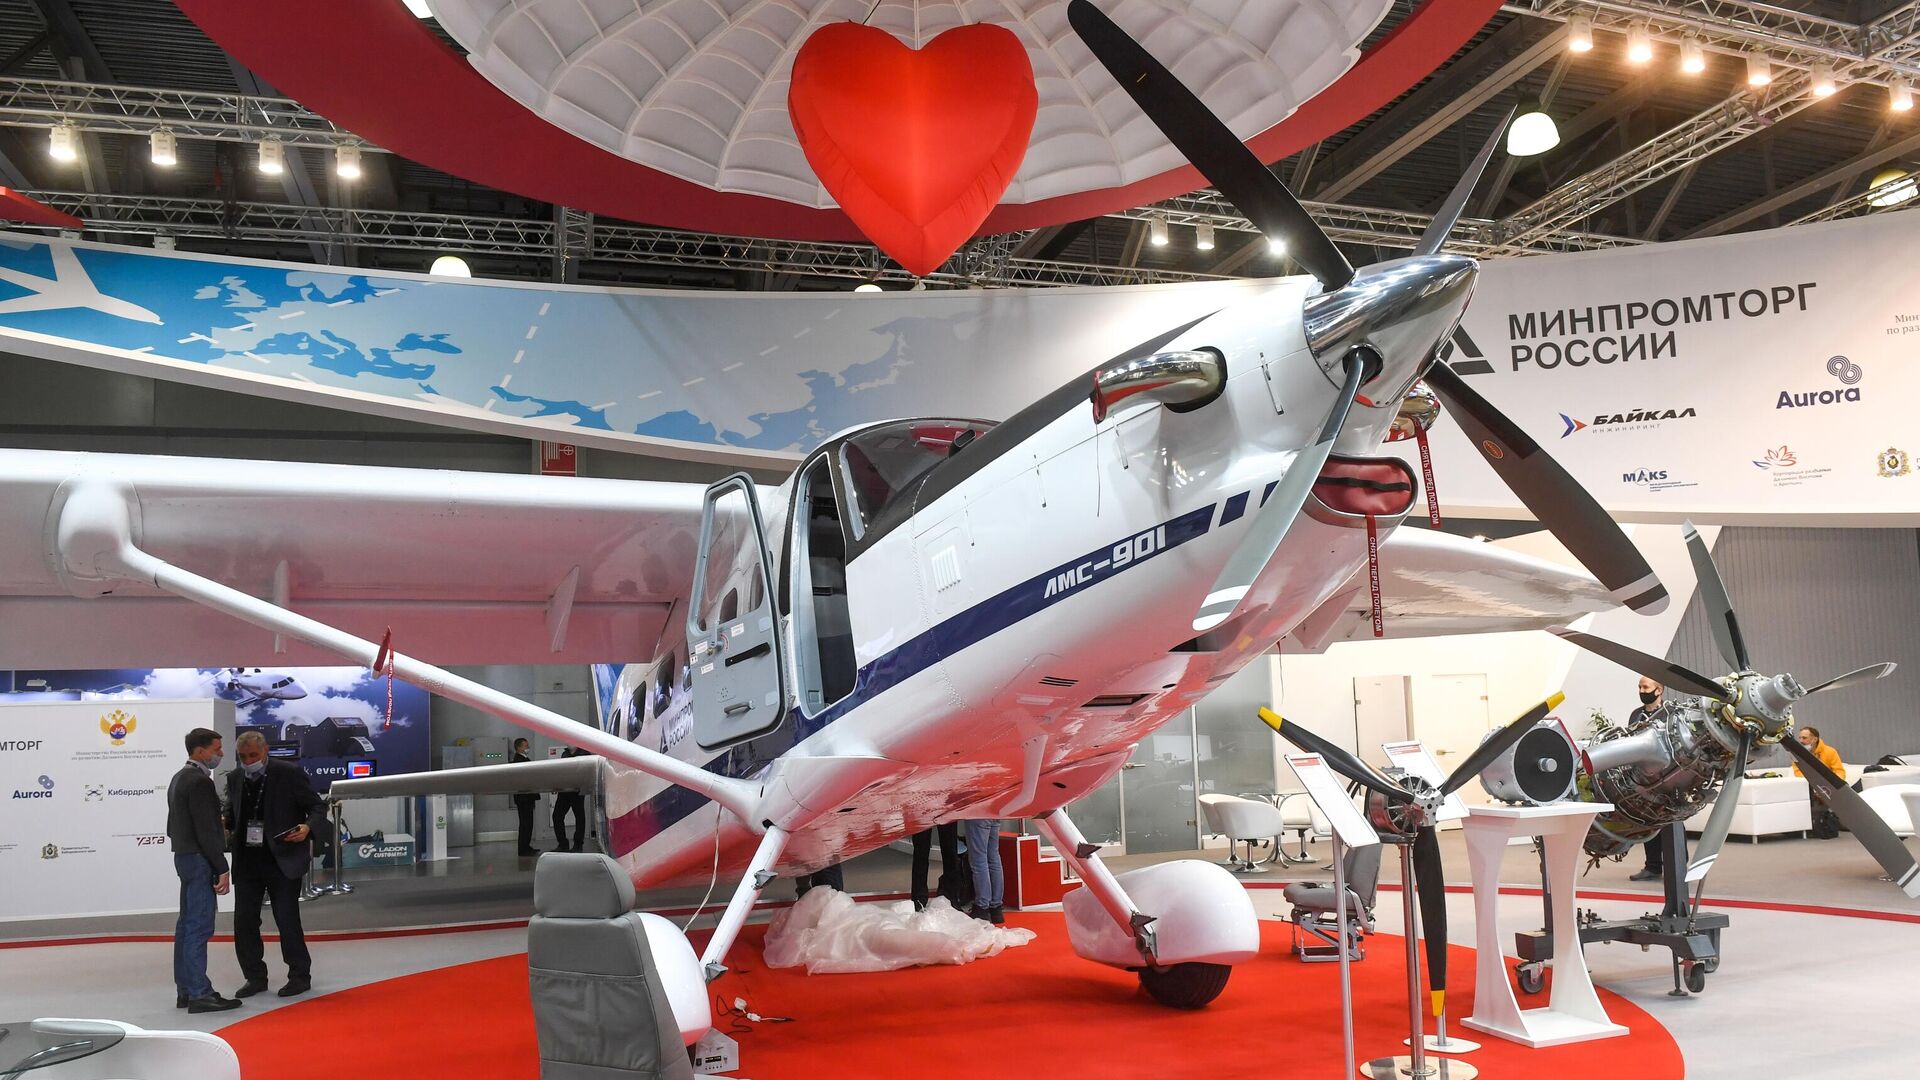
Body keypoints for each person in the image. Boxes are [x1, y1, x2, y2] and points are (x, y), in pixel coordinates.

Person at [225, 730, 327, 999]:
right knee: (244, 922)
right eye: (243, 757)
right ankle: (254, 977)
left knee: (287, 919)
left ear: (265, 751)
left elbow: (317, 807)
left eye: (253, 755)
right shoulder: (235, 778)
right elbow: (232, 813)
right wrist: (224, 822)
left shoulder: (289, 773)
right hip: (247, 862)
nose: (249, 761)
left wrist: (307, 827)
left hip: (282, 859)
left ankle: (299, 975)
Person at [167, 727, 239, 1013]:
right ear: (200, 751)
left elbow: (174, 826)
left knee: (186, 926)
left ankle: (186, 990)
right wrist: (221, 866)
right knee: (198, 927)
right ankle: (200, 993)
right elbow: (206, 830)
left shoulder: (178, 778)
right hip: (199, 860)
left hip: (185, 857)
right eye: (216, 749)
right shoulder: (199, 782)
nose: (220, 754)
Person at [1629, 676, 1676, 882]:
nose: (1641, 690)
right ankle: (1653, 866)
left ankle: (1677, 864)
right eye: (1639, 687)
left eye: (1646, 687)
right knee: (1648, 819)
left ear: (1659, 690)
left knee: (1671, 820)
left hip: (1668, 775)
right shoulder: (1636, 715)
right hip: (1645, 777)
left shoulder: (1670, 713)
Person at [1793, 726, 1847, 839]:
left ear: (1814, 739)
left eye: (1804, 738)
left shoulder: (1830, 752)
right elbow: (1798, 773)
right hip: (1809, 787)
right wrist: (1814, 787)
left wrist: (1832, 785)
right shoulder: (1797, 754)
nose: (1801, 741)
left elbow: (1839, 771)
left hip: (1828, 786)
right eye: (1800, 738)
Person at [910, 822, 961, 912]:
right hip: (924, 815)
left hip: (944, 813)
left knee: (950, 850)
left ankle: (951, 895)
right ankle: (918, 898)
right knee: (921, 851)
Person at [964, 818, 1005, 924]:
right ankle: (996, 908)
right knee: (993, 857)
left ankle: (982, 907)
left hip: (977, 814)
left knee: (979, 860)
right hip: (994, 813)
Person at [551, 745, 588, 853]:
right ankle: (563, 844)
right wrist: (557, 785)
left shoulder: (584, 753)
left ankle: (578, 844)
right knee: (557, 816)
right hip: (565, 790)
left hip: (577, 790)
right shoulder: (565, 754)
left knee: (579, 817)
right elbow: (561, 771)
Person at [511, 737, 541, 856]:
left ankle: (526, 846)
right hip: (524, 797)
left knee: (528, 823)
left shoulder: (523, 759)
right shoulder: (519, 761)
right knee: (525, 823)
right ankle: (523, 849)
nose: (528, 748)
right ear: (519, 748)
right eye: (525, 746)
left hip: (526, 797)